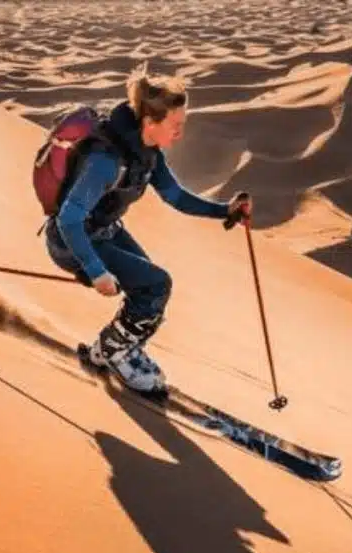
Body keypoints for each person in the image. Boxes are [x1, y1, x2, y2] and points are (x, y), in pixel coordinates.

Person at [43, 65, 252, 393]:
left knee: (151, 290)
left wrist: (224, 211)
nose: (180, 133)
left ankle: (106, 352)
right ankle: (116, 353)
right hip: (72, 242)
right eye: (176, 125)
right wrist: (96, 271)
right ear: (150, 122)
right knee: (156, 285)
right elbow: (68, 219)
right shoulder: (106, 161)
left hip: (104, 231)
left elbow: (176, 197)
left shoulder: (146, 154)